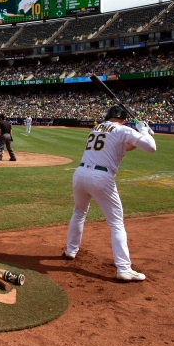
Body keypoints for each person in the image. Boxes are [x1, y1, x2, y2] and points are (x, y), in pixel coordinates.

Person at [62, 105, 157, 282]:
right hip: (101, 177)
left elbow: (126, 146)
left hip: (80, 174)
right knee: (116, 223)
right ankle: (124, 268)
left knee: (79, 213)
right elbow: (151, 148)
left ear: (107, 116)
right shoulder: (123, 129)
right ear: (125, 120)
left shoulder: (97, 128)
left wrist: (143, 135)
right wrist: (144, 131)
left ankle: (70, 250)